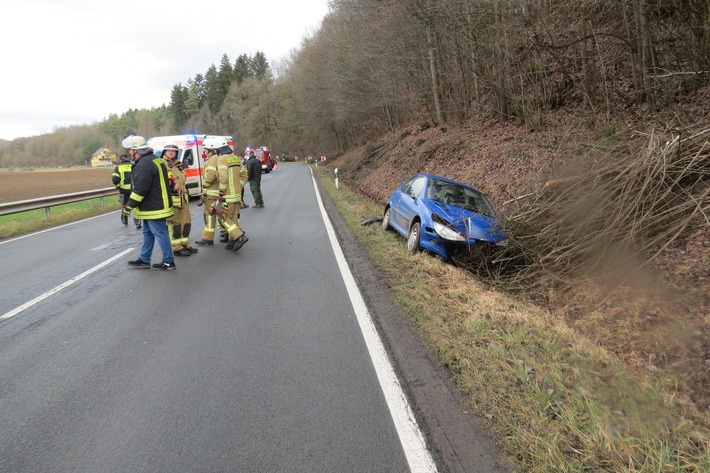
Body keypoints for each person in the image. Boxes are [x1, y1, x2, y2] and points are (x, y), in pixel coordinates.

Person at [121, 135, 176, 271]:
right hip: (154, 205)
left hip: (154, 207)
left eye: (130, 150)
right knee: (148, 232)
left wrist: (129, 207)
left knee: (160, 233)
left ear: (135, 150)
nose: (129, 153)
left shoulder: (144, 164)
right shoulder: (155, 160)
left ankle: (168, 262)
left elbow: (140, 189)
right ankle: (144, 259)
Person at [161, 144, 197, 257]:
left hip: (183, 197)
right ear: (165, 152)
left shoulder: (178, 164)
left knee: (186, 222)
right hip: (173, 198)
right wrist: (171, 184)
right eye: (169, 151)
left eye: (174, 151)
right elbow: (161, 178)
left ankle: (185, 244)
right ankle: (177, 248)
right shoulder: (162, 163)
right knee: (175, 224)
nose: (171, 153)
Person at [214, 138, 248, 251]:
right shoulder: (235, 158)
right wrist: (239, 187)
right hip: (237, 195)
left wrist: (221, 192)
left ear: (218, 150)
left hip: (227, 196)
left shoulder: (221, 159)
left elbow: (223, 178)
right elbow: (244, 175)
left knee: (223, 217)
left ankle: (238, 236)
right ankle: (232, 242)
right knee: (233, 218)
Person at [194, 138, 222, 246]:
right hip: (212, 194)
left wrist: (204, 184)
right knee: (216, 215)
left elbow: (210, 176)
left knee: (212, 215)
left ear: (210, 149)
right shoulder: (214, 158)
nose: (204, 151)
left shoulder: (213, 159)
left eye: (205, 149)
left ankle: (236, 235)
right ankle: (234, 235)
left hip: (212, 194)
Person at [111, 153, 141, 229]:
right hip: (135, 189)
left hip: (123, 190)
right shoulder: (134, 165)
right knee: (135, 205)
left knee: (124, 204)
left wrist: (118, 186)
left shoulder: (118, 167)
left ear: (120, 160)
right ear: (128, 159)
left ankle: (125, 218)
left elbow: (115, 179)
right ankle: (137, 223)